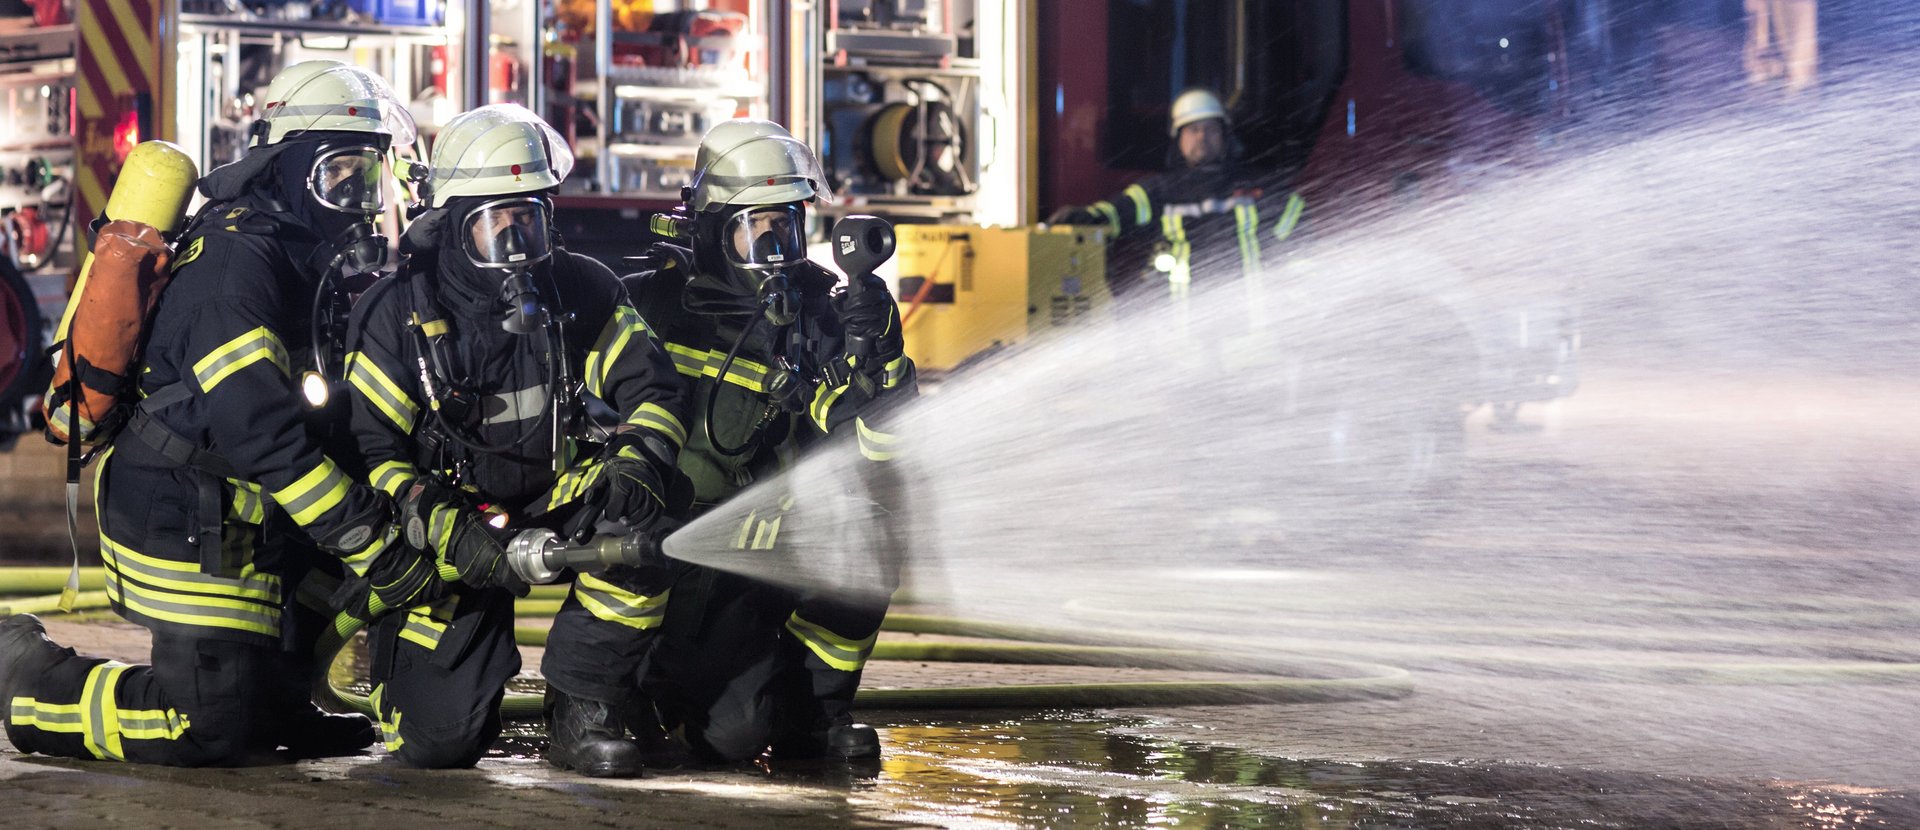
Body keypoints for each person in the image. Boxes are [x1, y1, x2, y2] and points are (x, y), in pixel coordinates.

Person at [0, 60, 438, 766]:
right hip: (185, 512)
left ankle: (281, 700)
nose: (358, 201)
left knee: (328, 572)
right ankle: (29, 681)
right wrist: (367, 536)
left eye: (368, 178)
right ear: (290, 169)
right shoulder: (238, 263)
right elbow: (262, 434)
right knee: (204, 729)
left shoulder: (300, 254)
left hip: (245, 504)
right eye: (339, 177)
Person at [340, 104, 688, 773]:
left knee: (651, 505)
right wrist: (442, 526)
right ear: (451, 226)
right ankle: (408, 673)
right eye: (495, 224)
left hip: (556, 489)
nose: (518, 244)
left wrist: (641, 458)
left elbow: (654, 387)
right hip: (453, 527)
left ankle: (585, 705)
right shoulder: (398, 317)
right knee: (442, 744)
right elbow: (371, 458)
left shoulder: (581, 287)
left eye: (529, 218)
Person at [611, 118, 915, 764]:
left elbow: (880, 450)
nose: (780, 248)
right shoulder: (654, 308)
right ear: (718, 230)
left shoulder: (826, 312)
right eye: (760, 229)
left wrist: (882, 352)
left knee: (874, 531)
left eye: (790, 227)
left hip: (781, 542)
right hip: (685, 560)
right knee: (735, 739)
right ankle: (633, 689)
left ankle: (816, 716)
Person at [1050, 88, 1307, 300]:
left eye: (1210, 129)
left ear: (1225, 136)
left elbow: (1303, 241)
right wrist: (1085, 217)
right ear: (1178, 139)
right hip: (1184, 342)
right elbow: (1117, 212)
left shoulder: (1259, 188)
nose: (1202, 137)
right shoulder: (1160, 192)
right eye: (1192, 129)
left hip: (1252, 343)